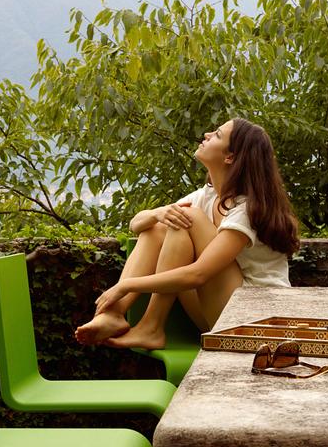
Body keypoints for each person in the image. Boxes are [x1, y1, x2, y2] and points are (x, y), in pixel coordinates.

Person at [75, 117, 300, 350]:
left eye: (217, 135)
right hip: (219, 317)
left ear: (229, 157)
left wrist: (127, 285)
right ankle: (116, 314)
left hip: (256, 323)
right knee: (161, 225)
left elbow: (198, 274)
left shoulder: (245, 210)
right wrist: (156, 213)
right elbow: (136, 224)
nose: (207, 135)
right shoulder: (208, 195)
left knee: (186, 217)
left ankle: (150, 327)